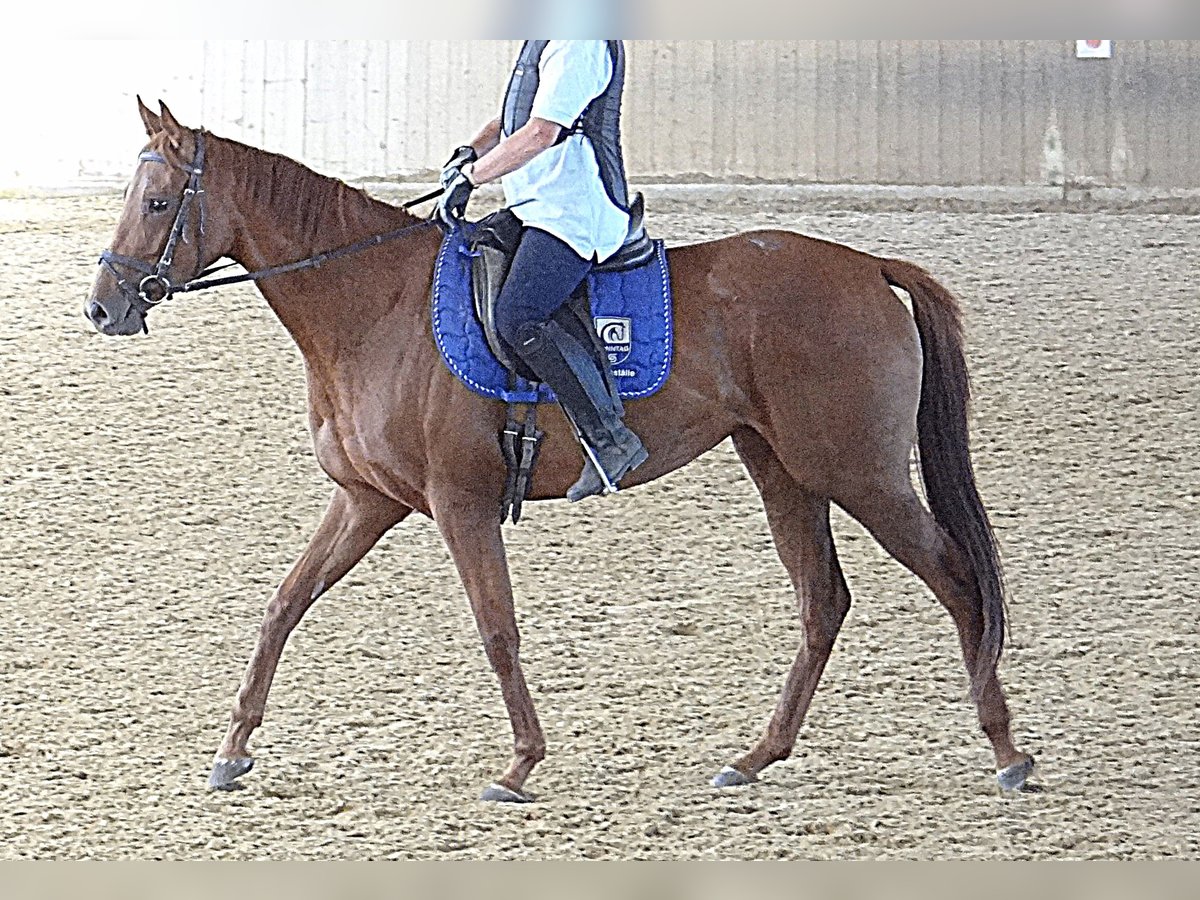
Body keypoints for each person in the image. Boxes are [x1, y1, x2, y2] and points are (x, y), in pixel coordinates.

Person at [434, 40, 646, 502]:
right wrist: (466, 153)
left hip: (575, 211)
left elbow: (539, 134)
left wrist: (473, 180)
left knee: (519, 315)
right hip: (538, 205)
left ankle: (611, 442)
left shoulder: (580, 39)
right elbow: (509, 120)